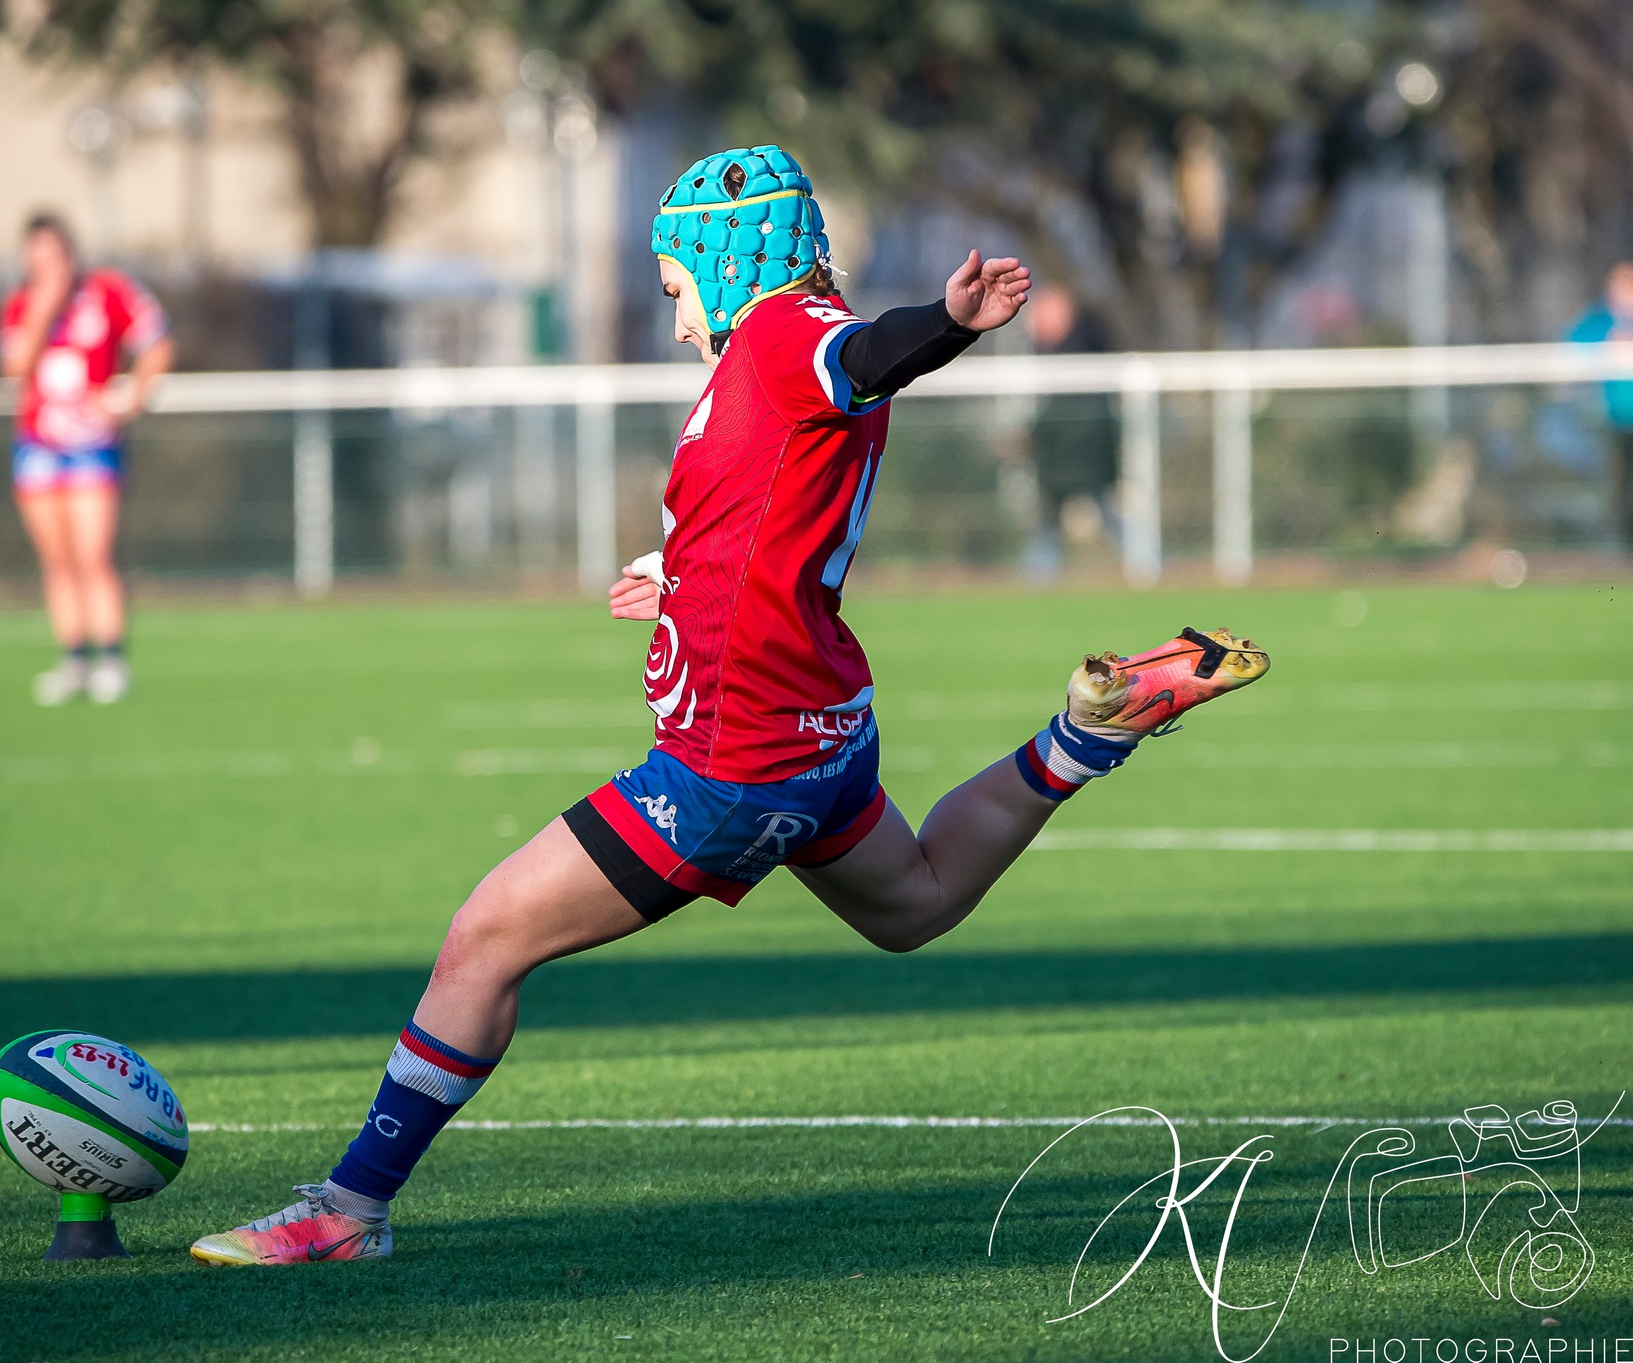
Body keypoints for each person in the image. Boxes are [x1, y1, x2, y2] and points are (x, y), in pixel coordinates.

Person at [188, 146, 1271, 1267]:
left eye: (673, 288)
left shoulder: (779, 334)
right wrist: (680, 579)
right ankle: (1079, 739)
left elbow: (864, 355)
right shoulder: (785, 352)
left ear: (722, 254)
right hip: (821, 726)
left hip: (731, 752)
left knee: (483, 939)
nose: (675, 322)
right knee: (914, 903)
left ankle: (346, 1209)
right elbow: (783, 504)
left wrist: (946, 323)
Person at [0, 213, 173, 705]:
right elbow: (14, 367)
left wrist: (132, 397)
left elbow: (157, 345)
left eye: (57, 256)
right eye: (38, 259)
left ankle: (112, 659)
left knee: (94, 555)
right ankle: (73, 661)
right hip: (38, 445)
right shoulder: (21, 305)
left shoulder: (109, 292)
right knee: (57, 560)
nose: (49, 267)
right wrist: (43, 308)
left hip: (93, 446)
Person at [1023, 283, 1119, 572]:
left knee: (1059, 523)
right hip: (1068, 460)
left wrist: (1035, 435)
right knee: (1098, 518)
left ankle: (1152, 565)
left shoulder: (1080, 350)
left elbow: (1062, 412)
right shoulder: (1063, 350)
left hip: (1072, 459)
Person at [1568, 261, 1633, 545]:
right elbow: (1571, 351)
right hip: (1611, 422)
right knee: (1619, 488)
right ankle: (1620, 546)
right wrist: (1608, 344)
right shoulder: (1598, 321)